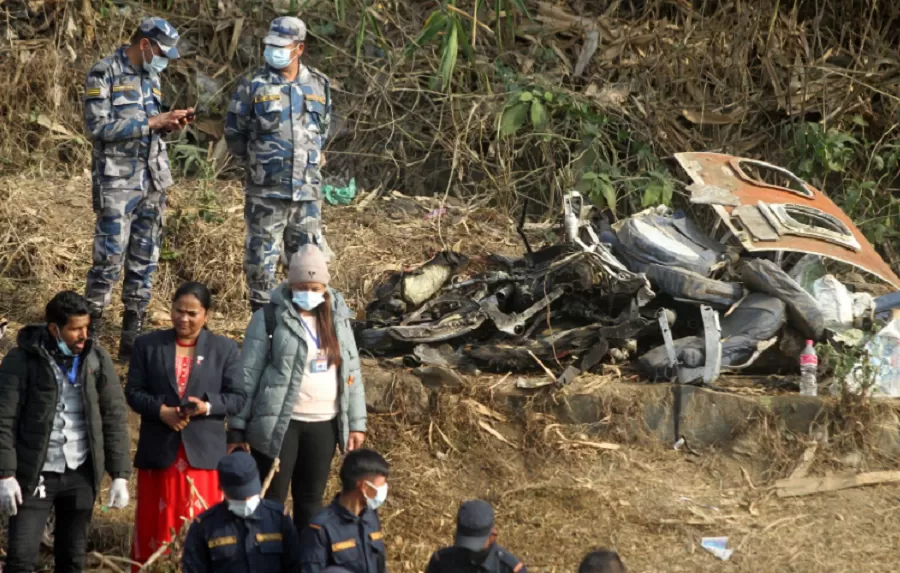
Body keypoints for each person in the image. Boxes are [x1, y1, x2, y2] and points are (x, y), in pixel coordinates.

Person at [228, 245, 366, 530]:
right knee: (272, 499)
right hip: (280, 424)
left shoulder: (338, 319)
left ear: (325, 286)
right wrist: (237, 426)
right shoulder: (268, 318)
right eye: (302, 287)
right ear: (290, 285)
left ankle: (306, 559)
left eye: (315, 287)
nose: (309, 294)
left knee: (310, 500)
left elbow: (351, 373)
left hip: (324, 425)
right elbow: (249, 374)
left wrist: (356, 423)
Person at [83, 16, 194, 358]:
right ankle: (92, 337)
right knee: (109, 258)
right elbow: (97, 127)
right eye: (162, 52)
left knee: (145, 258)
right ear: (144, 44)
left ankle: (132, 337)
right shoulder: (104, 72)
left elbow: (149, 128)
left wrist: (168, 125)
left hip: (152, 180)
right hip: (118, 182)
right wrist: (151, 122)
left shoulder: (153, 77)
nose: (165, 60)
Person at [0, 291, 131, 573]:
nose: (83, 335)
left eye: (86, 327)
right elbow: (4, 419)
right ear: (54, 329)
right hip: (34, 474)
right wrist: (6, 473)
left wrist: (120, 474)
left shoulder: (96, 359)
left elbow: (114, 415)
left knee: (71, 559)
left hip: (80, 474)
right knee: (21, 559)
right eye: (75, 329)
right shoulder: (21, 361)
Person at [125, 282, 245, 571]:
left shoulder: (224, 349)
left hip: (203, 456)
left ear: (206, 314)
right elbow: (134, 392)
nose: (184, 319)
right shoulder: (148, 345)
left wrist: (207, 406)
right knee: (157, 527)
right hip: (160, 453)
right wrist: (161, 411)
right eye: (178, 311)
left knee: (199, 525)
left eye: (192, 313)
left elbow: (238, 397)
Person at [225, 16, 333, 312]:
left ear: (299, 48)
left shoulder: (319, 85)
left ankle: (304, 328)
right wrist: (261, 163)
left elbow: (322, 130)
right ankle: (264, 327)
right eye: (270, 45)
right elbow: (235, 134)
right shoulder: (253, 85)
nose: (273, 51)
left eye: (281, 46)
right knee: (260, 264)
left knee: (308, 265)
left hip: (307, 196)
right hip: (266, 193)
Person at [182, 451, 301, 573]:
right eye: (238, 496)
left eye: (249, 493)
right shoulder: (204, 527)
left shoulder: (279, 519)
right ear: (222, 489)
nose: (246, 500)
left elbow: (294, 566)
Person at [298, 449, 389, 573]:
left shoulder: (370, 517)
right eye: (381, 484)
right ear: (364, 487)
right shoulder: (321, 528)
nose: (384, 489)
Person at [425, 500, 526, 573]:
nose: (470, 552)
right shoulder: (441, 561)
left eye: (476, 546)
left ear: (493, 536)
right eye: (465, 544)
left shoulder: (510, 569)